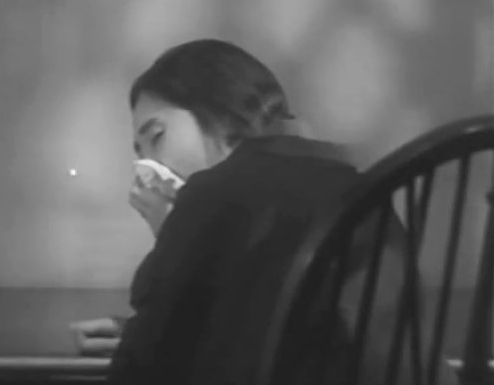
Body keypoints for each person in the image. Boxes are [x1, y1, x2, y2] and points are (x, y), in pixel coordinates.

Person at [76, 39, 406, 385]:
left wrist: (173, 234)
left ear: (218, 112)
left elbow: (139, 369)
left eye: (157, 137)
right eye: (140, 153)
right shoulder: (356, 184)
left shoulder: (211, 193)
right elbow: (270, 326)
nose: (149, 168)